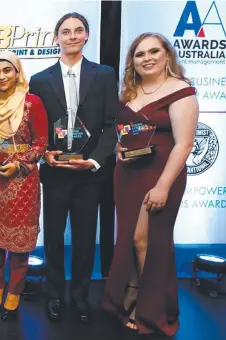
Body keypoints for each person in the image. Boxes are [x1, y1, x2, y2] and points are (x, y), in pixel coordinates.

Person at [102, 32, 198, 336]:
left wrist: (163, 186)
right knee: (129, 239)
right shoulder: (129, 94)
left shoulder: (182, 91)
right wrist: (119, 150)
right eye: (140, 54)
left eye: (153, 51)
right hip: (128, 175)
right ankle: (130, 295)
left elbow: (183, 145)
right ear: (133, 61)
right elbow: (124, 134)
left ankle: (154, 310)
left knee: (148, 241)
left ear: (166, 55)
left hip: (161, 174)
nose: (147, 58)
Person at [28, 12, 119, 323]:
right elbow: (35, 128)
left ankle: (80, 296)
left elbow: (111, 125)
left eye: (78, 30)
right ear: (56, 38)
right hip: (54, 173)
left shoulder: (104, 75)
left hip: (89, 175)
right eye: (65, 31)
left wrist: (94, 160)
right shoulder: (39, 80)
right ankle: (54, 295)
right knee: (53, 238)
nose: (72, 36)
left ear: (87, 36)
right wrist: (43, 154)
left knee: (83, 238)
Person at [0, 50, 48, 322]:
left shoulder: (32, 103)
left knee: (19, 242)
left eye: (8, 70)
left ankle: (14, 293)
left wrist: (19, 164)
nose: (2, 76)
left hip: (21, 181)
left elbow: (41, 142)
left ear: (17, 73)